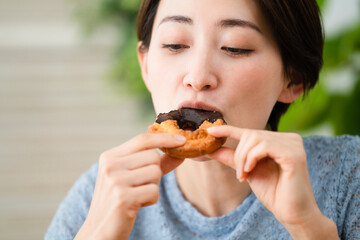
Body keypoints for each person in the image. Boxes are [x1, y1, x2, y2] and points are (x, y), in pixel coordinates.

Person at [45, 0, 360, 239]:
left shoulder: (349, 175)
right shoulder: (101, 193)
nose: (197, 77)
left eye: (235, 47)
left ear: (293, 79)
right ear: (145, 66)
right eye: (174, 45)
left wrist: (308, 226)